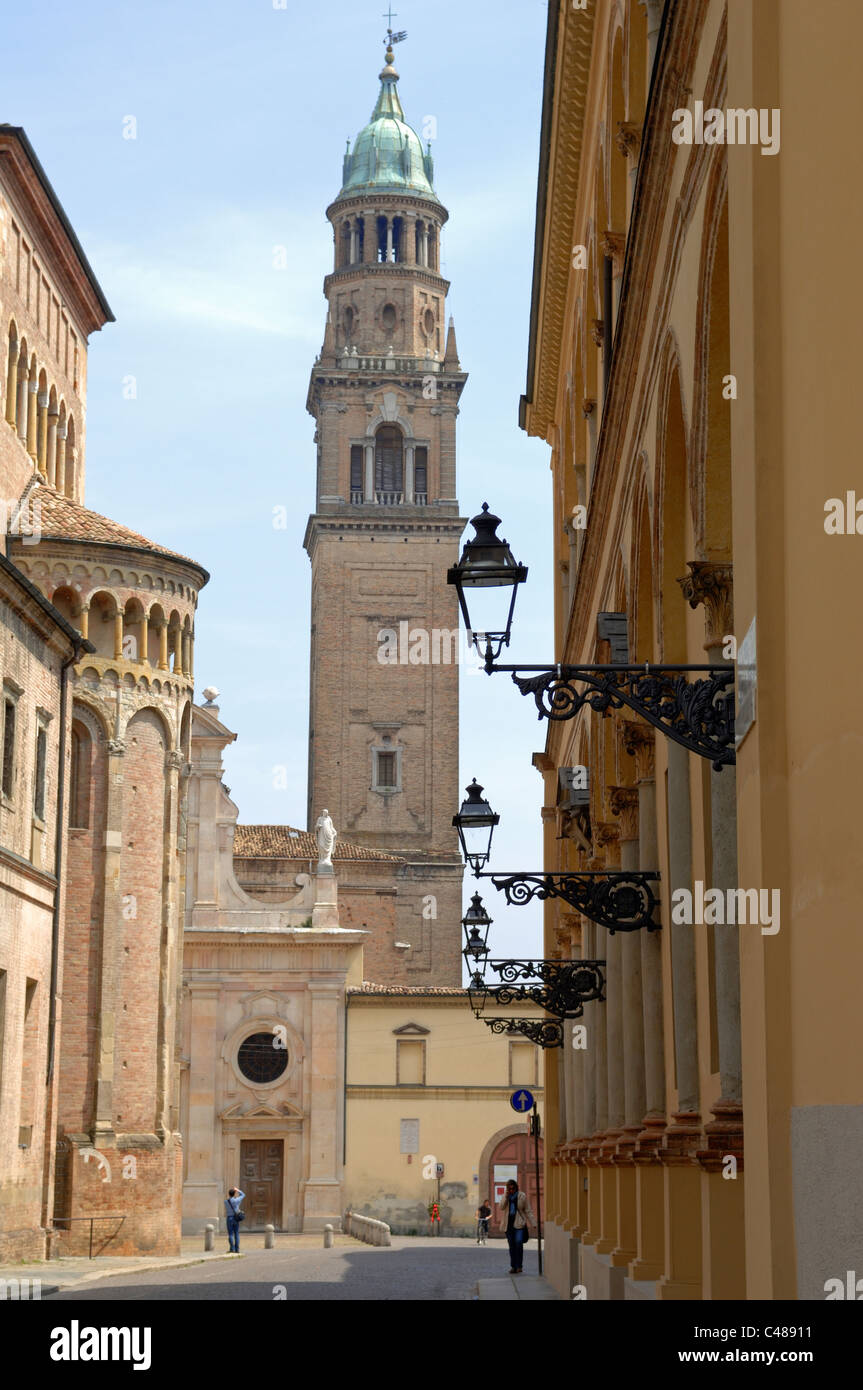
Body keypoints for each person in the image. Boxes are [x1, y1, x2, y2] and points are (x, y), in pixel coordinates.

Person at [498, 1179, 535, 1274]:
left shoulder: (522, 1196)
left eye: (513, 1188)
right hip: (508, 1224)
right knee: (511, 1246)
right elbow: (501, 1207)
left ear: (516, 1187)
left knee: (518, 1243)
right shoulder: (505, 1196)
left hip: (519, 1224)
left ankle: (519, 1266)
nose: (511, 1190)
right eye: (509, 1189)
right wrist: (506, 1197)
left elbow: (528, 1210)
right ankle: (513, 1266)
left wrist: (533, 1223)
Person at [224, 1185, 245, 1254]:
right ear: (234, 1194)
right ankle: (237, 1249)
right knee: (236, 1234)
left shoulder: (226, 1202)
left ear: (229, 1194)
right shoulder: (237, 1201)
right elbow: (243, 1194)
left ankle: (232, 1249)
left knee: (230, 1234)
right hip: (236, 1218)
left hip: (229, 1218)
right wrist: (237, 1190)